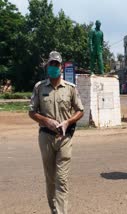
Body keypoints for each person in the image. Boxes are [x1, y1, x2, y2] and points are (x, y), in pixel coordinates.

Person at [29, 51, 84, 213]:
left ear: (61, 67)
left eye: (56, 64)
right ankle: (54, 209)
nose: (53, 67)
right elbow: (32, 112)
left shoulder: (70, 89)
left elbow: (80, 110)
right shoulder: (39, 87)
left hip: (64, 138)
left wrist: (68, 121)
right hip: (45, 137)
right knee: (50, 179)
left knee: (62, 179)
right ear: (48, 66)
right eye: (51, 64)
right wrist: (46, 120)